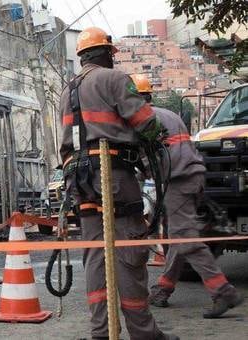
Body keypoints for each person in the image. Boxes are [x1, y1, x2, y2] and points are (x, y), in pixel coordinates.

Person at [58, 27, 176, 340]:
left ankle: (101, 333)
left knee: (96, 256)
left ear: (82, 56)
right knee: (128, 251)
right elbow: (146, 123)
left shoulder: (67, 90)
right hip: (115, 175)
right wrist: (155, 142)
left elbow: (67, 143)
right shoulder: (114, 79)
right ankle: (144, 334)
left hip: (80, 179)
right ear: (107, 54)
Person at [130, 74, 244, 318]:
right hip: (194, 177)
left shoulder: (144, 121)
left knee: (186, 240)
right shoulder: (168, 115)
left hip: (179, 180)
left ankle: (223, 291)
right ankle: (163, 288)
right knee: (179, 236)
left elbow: (146, 161)